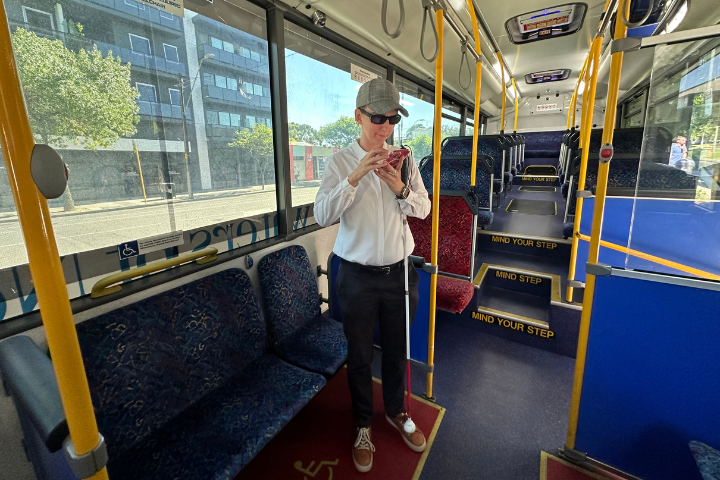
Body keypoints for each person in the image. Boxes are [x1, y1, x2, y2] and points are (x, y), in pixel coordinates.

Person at [314, 78, 431, 473]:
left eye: (392, 118)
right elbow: (323, 215)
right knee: (360, 355)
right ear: (358, 116)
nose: (385, 127)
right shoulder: (339, 163)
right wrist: (356, 176)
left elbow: (423, 210)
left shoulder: (406, 159)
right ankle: (363, 423)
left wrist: (398, 186)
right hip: (357, 276)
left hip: (399, 272)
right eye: (377, 118)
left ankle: (397, 411)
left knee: (399, 349)